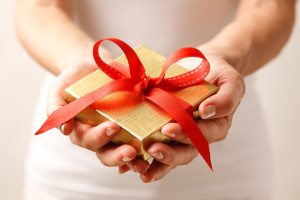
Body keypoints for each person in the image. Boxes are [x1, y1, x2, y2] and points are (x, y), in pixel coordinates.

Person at [16, 0, 295, 199]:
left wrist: (223, 57)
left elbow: (270, 5)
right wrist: (82, 63)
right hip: (73, 172)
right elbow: (38, 6)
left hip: (226, 164)